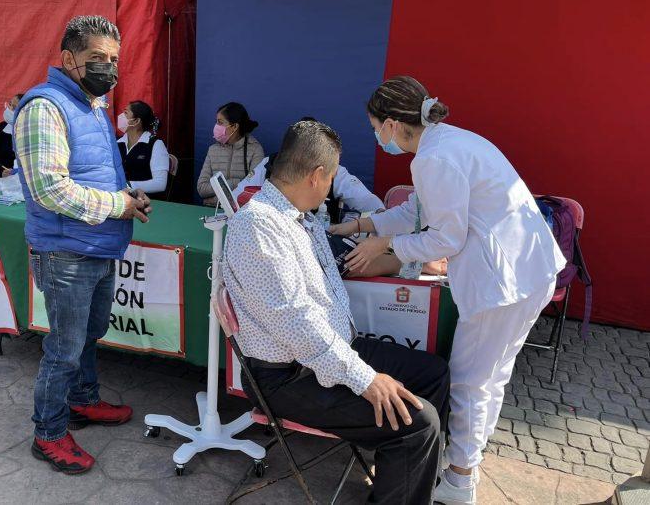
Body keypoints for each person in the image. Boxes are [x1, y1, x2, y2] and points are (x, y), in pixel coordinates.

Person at [331, 76, 565, 505]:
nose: (376, 137)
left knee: (472, 381)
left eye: (374, 127)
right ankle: (462, 467)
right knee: (489, 377)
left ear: (391, 123)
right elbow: (418, 209)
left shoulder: (434, 159)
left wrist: (385, 245)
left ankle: (459, 480)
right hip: (528, 269)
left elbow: (445, 239)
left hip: (503, 282)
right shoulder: (446, 142)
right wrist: (363, 225)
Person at [224, 120, 450, 505]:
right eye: (330, 178)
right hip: (287, 379)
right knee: (418, 423)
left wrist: (393, 253)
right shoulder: (259, 226)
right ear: (316, 176)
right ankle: (404, 479)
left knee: (433, 374)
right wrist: (365, 379)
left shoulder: (300, 219)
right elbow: (297, 324)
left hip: (325, 354)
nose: (330, 187)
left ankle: (409, 482)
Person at [13, 15, 152, 475]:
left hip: (99, 247)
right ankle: (48, 432)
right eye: (97, 59)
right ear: (68, 58)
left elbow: (95, 173)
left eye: (113, 59)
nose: (108, 68)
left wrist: (129, 193)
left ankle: (82, 402)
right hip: (65, 252)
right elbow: (49, 189)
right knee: (64, 348)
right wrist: (117, 204)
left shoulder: (92, 105)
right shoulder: (45, 108)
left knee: (89, 336)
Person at [235, 118, 384, 220]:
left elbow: (367, 201)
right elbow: (237, 197)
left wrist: (380, 220)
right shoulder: (270, 163)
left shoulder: (333, 168)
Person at [196, 102, 264, 206]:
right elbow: (202, 189)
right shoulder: (213, 150)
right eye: (216, 122)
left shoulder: (255, 150)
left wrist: (217, 194)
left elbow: (253, 191)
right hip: (211, 211)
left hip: (241, 214)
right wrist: (238, 183)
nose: (216, 126)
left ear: (234, 126)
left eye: (220, 122)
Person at [116, 100, 169, 197]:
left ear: (136, 121)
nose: (121, 116)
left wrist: (128, 186)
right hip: (121, 199)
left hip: (149, 202)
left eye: (125, 113)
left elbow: (160, 184)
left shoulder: (155, 144)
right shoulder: (117, 144)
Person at [0, 93, 24, 178]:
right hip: (0, 181)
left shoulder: (29, 132)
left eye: (14, 108)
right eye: (10, 104)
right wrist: (0, 172)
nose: (10, 108)